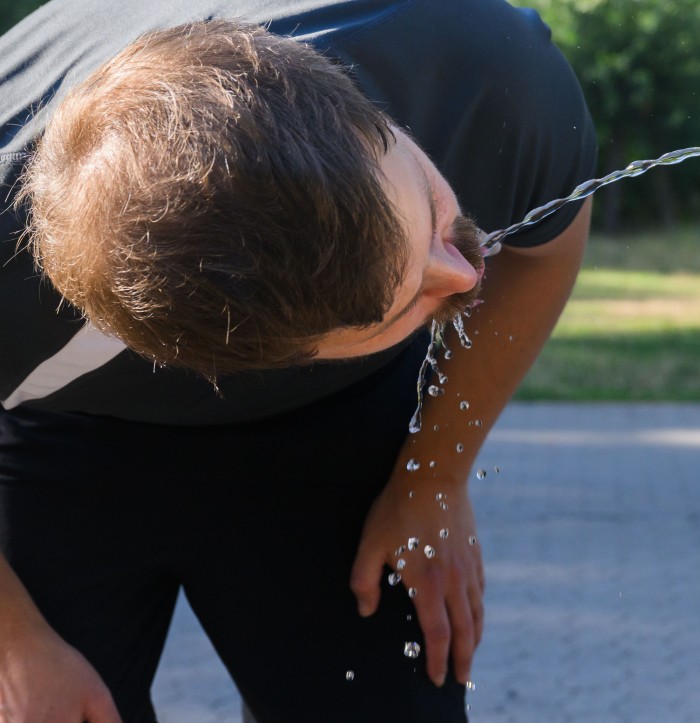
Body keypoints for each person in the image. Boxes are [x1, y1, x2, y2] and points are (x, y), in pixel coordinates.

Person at [0, 1, 595, 721]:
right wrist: (14, 643)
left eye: (432, 209)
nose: (465, 277)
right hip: (60, 430)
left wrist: (433, 474)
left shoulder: (489, 65)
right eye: (408, 304)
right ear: (247, 356)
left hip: (335, 417)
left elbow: (545, 246)